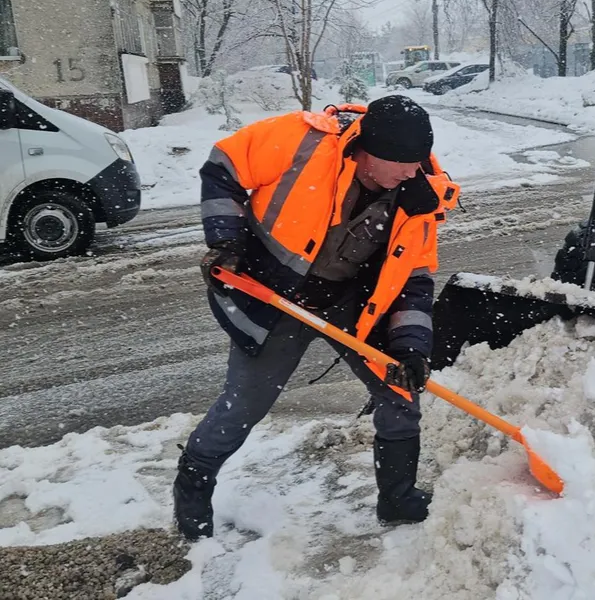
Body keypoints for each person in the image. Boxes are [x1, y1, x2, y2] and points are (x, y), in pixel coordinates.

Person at [173, 95, 459, 541]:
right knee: (244, 405)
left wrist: (410, 346)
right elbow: (223, 166)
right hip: (275, 296)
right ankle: (191, 494)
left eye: (417, 161)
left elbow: (414, 280)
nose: (410, 171)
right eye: (401, 162)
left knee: (400, 391)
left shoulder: (421, 195)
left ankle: (398, 498)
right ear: (367, 150)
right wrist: (226, 239)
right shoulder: (300, 141)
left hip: (355, 302)